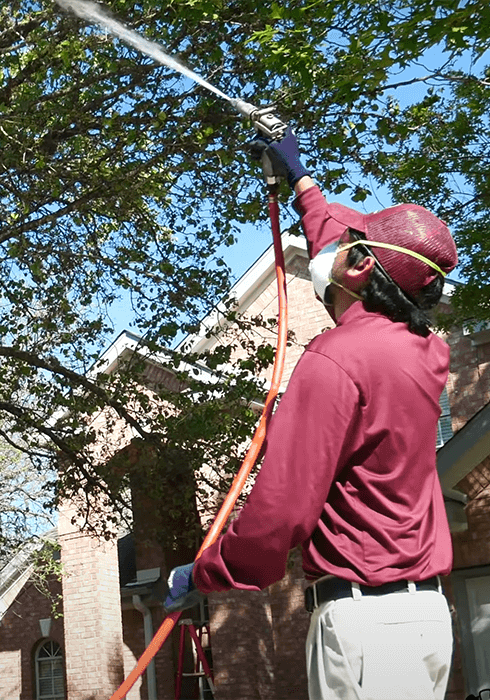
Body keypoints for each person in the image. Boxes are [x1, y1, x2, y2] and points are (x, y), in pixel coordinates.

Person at [162, 130, 459, 700]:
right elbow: (346, 250)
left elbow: (279, 517)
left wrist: (202, 575)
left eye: (352, 244)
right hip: (423, 621)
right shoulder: (425, 349)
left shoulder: (334, 360)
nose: (334, 244)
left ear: (359, 269)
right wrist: (298, 178)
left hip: (365, 630)